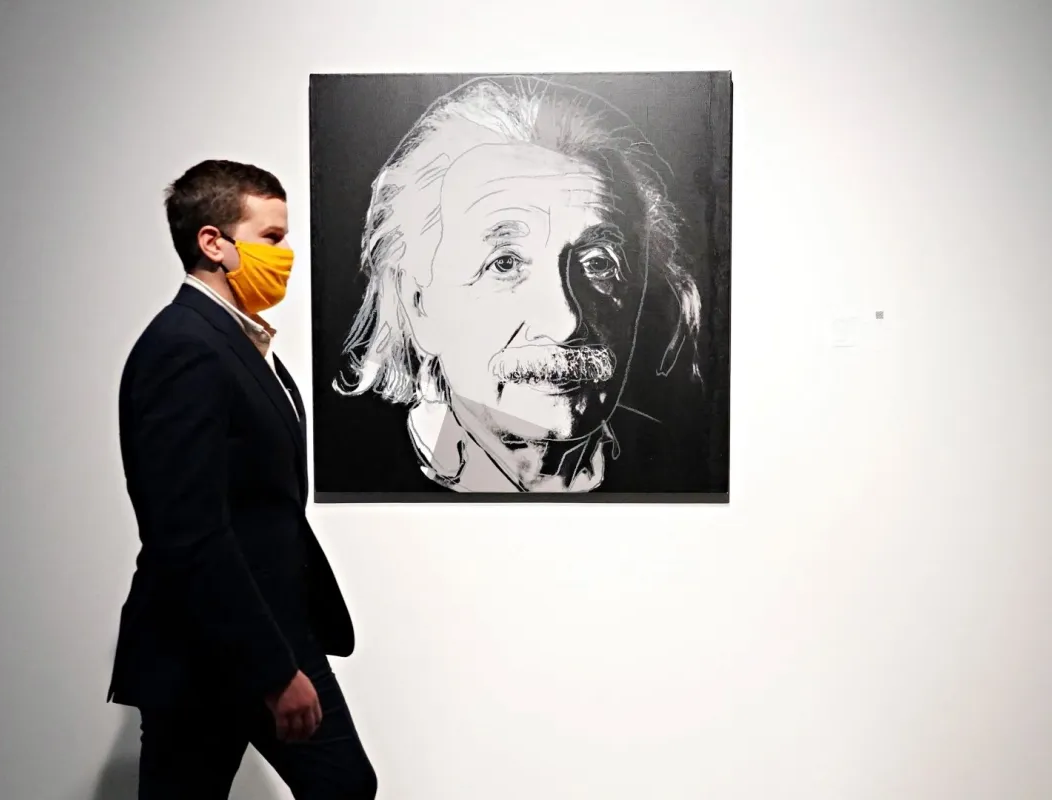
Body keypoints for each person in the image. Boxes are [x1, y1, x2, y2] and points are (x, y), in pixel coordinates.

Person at [107, 159, 377, 798]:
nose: (285, 257)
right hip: (211, 648)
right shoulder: (185, 347)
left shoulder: (235, 343)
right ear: (213, 242)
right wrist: (273, 669)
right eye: (272, 239)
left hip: (254, 632)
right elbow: (188, 531)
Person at [333, 76, 707, 493]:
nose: (565, 323)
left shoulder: (677, 471)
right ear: (419, 304)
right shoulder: (358, 474)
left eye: (599, 263)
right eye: (505, 263)